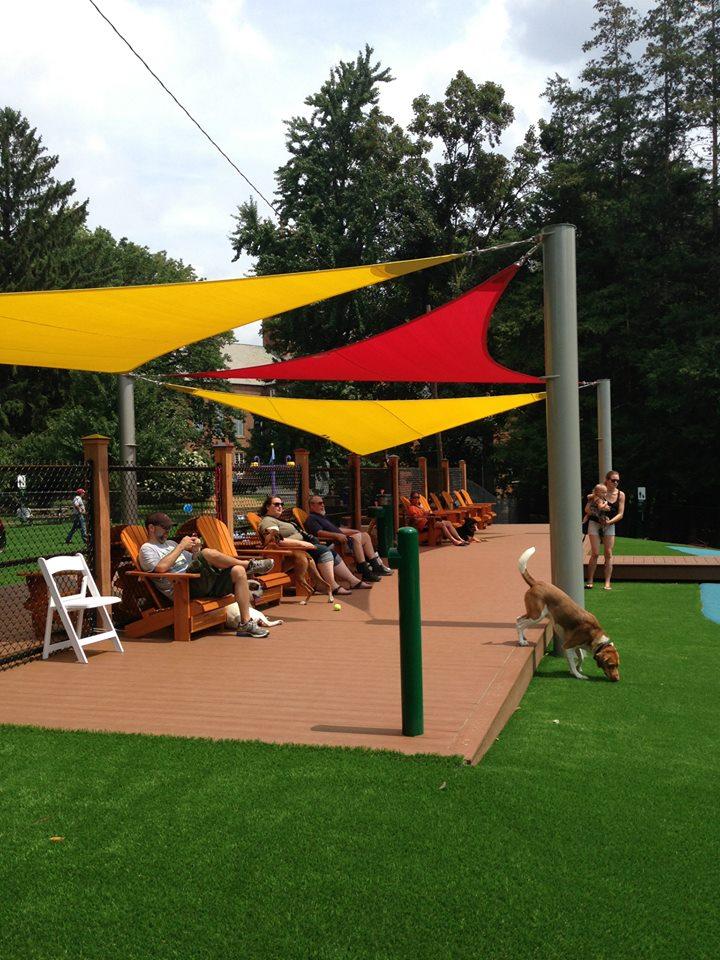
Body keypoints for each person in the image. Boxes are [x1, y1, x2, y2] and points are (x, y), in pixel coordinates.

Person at [138, 511, 273, 638]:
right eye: (165, 528)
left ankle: (246, 623)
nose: (168, 531)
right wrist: (181, 546)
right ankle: (249, 565)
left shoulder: (171, 543)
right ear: (151, 528)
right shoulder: (147, 549)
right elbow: (160, 568)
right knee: (207, 553)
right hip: (182, 588)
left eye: (170, 528)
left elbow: (194, 561)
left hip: (199, 582)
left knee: (238, 571)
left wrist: (196, 550)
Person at [258, 496, 371, 596]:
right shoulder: (268, 521)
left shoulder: (279, 520)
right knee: (324, 551)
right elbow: (275, 541)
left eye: (281, 504)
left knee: (330, 552)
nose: (280, 507)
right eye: (276, 504)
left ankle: (353, 581)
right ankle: (332, 585)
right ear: (268, 507)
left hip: (300, 549)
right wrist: (302, 543)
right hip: (291, 553)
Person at [305, 494, 392, 582]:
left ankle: (376, 567)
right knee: (356, 538)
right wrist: (337, 535)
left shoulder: (322, 518)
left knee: (365, 535)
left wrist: (354, 531)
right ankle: (365, 571)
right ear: (312, 506)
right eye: (320, 503)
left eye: (323, 503)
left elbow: (337, 529)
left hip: (343, 541)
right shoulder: (312, 518)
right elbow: (319, 533)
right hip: (334, 544)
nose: (323, 505)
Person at [585, 470, 626, 591]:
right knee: (595, 553)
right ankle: (590, 580)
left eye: (617, 481)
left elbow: (621, 514)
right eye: (613, 480)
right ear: (607, 480)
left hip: (609, 524)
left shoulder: (621, 495)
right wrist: (598, 514)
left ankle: (607, 582)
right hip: (595, 523)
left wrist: (609, 522)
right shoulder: (599, 491)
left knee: (608, 553)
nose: (616, 483)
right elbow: (587, 509)